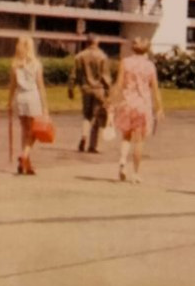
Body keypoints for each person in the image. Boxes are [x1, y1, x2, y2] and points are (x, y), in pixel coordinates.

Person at [111, 37, 163, 183]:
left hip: (127, 103)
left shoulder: (125, 62)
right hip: (142, 105)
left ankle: (122, 161)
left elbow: (119, 83)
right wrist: (159, 107)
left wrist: (113, 101)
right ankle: (135, 173)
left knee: (126, 135)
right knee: (139, 140)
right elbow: (155, 88)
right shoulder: (150, 66)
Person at [8, 36, 50, 175]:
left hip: (20, 97)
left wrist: (9, 101)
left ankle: (26, 165)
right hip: (33, 97)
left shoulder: (15, 64)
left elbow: (12, 86)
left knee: (24, 131)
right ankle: (25, 155)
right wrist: (45, 107)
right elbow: (41, 86)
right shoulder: (36, 64)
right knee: (35, 132)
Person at [68, 34, 112, 154]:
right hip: (99, 89)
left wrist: (71, 88)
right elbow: (105, 76)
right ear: (97, 42)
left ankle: (84, 136)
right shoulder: (102, 56)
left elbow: (74, 74)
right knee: (96, 117)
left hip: (85, 89)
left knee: (86, 116)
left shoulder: (79, 56)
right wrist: (109, 91)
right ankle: (92, 145)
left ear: (87, 42)